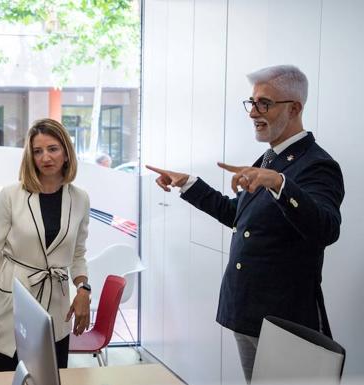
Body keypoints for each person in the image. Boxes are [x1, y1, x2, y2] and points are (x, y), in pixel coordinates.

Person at [146, 65, 344, 384]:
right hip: (248, 312)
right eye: (251, 103)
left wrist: (280, 183)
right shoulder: (269, 160)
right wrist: (189, 184)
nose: (253, 112)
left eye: (264, 103)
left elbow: (326, 228)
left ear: (294, 108)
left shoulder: (317, 164)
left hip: (286, 321)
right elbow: (238, 215)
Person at [0, 118, 91, 372]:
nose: (45, 157)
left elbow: (78, 253)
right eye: (37, 151)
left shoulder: (80, 199)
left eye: (52, 149)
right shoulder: (11, 196)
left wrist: (83, 289)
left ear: (66, 153)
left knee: (48, 377)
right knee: (1, 377)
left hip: (56, 310)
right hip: (10, 306)